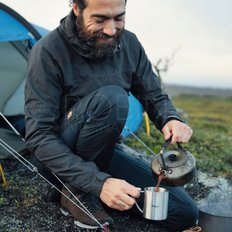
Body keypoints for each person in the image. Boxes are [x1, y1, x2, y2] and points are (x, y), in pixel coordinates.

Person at [24, 0, 199, 231]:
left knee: (183, 212)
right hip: (60, 159)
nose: (111, 30)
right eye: (100, 19)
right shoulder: (48, 51)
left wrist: (170, 118)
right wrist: (99, 183)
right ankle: (73, 193)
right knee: (113, 99)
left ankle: (98, 189)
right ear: (76, 8)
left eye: (119, 18)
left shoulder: (129, 43)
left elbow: (153, 94)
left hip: (103, 152)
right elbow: (39, 136)